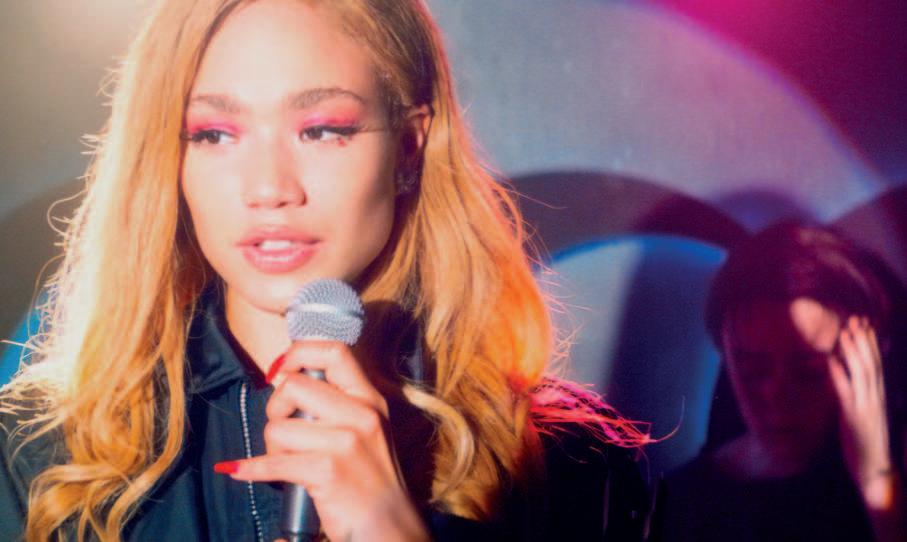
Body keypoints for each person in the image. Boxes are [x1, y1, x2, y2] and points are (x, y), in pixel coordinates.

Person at [0, 1, 650, 540]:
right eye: (215, 134)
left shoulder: (571, 469)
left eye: (321, 130)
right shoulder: (33, 455)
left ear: (409, 146)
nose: (269, 189)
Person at [652, 222, 906, 542]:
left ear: (865, 357)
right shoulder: (685, 502)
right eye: (752, 370)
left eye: (810, 371)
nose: (777, 395)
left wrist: (879, 486)